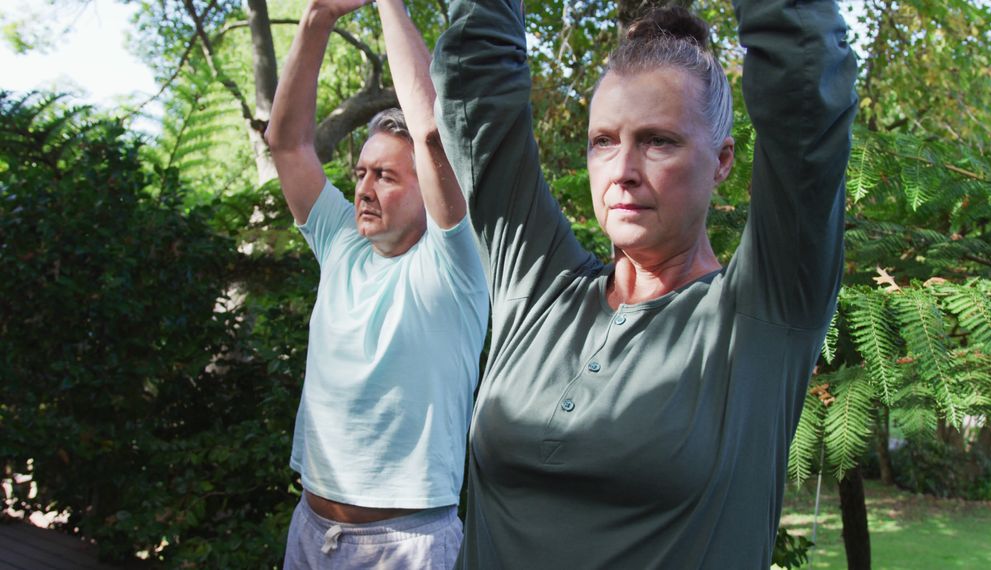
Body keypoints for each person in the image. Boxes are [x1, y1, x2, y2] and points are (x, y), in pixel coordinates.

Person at [431, 0, 857, 567]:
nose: (623, 170)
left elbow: (804, 86)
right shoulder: (537, 290)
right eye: (603, 140)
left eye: (659, 141)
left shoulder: (762, 317)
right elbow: (474, 84)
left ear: (722, 160)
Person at [265, 0, 488, 566]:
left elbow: (432, 131)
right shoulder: (341, 244)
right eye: (359, 172)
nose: (363, 188)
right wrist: (317, 20)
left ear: (427, 188)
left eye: (385, 175)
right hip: (311, 532)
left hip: (405, 548)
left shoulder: (454, 264)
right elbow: (287, 143)